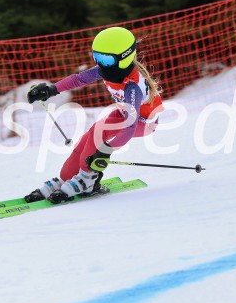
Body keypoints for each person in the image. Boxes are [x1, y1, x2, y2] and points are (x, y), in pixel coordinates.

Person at [25, 26, 163, 203]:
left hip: (144, 121)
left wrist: (106, 151)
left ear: (123, 58)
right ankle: (66, 177)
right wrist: (52, 89)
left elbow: (130, 127)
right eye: (97, 57)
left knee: (99, 134)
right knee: (89, 137)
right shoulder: (107, 69)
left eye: (105, 59)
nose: (100, 64)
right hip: (124, 113)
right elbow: (79, 79)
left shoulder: (132, 86)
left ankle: (87, 178)